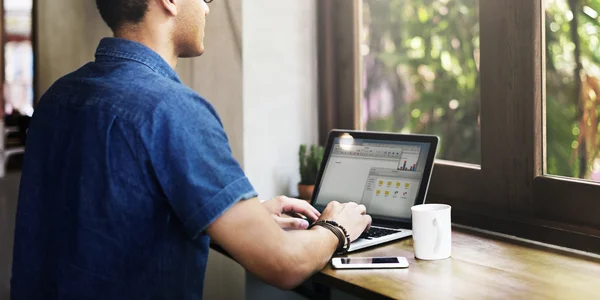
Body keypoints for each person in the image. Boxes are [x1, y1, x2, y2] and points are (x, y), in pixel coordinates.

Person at [10, 0, 372, 299]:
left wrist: (243, 214)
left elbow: (110, 215)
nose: (207, 10)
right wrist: (336, 228)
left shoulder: (57, 97)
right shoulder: (172, 109)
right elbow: (283, 264)